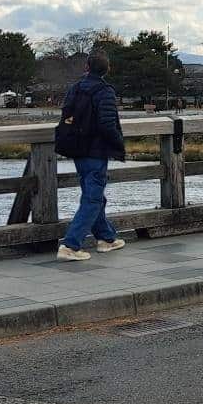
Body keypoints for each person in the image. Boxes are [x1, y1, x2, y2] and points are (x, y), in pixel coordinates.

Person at [56, 46, 127, 261]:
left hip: (77, 148)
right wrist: (119, 144)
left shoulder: (75, 89)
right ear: (107, 69)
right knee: (93, 199)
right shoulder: (105, 92)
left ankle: (106, 238)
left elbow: (66, 115)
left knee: (94, 196)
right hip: (96, 151)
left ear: (87, 67)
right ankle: (70, 245)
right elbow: (107, 124)